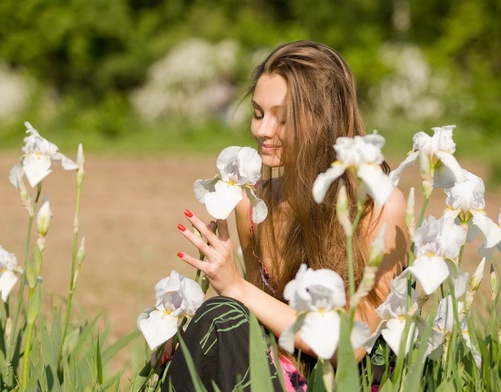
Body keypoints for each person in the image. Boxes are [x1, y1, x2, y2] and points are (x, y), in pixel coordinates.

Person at [164, 40, 408, 391]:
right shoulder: (252, 206)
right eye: (258, 113)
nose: (263, 131)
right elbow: (255, 324)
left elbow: (353, 347)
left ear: (324, 119)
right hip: (279, 373)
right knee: (216, 319)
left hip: (344, 382)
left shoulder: (378, 206)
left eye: (282, 117)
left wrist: (235, 287)